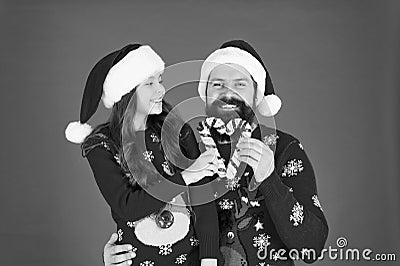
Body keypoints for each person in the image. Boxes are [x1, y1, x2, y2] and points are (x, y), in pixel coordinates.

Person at [103, 40, 329, 265]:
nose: (227, 93)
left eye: (240, 84)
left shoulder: (283, 149)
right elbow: (145, 208)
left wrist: (270, 180)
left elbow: (311, 246)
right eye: (218, 84)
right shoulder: (181, 144)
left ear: (257, 93)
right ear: (205, 92)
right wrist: (122, 254)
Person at [65, 44, 220, 266]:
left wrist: (209, 260)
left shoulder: (177, 131)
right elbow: (128, 207)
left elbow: (203, 203)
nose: (161, 90)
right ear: (126, 93)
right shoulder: (102, 146)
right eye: (149, 83)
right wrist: (185, 177)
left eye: (160, 80)